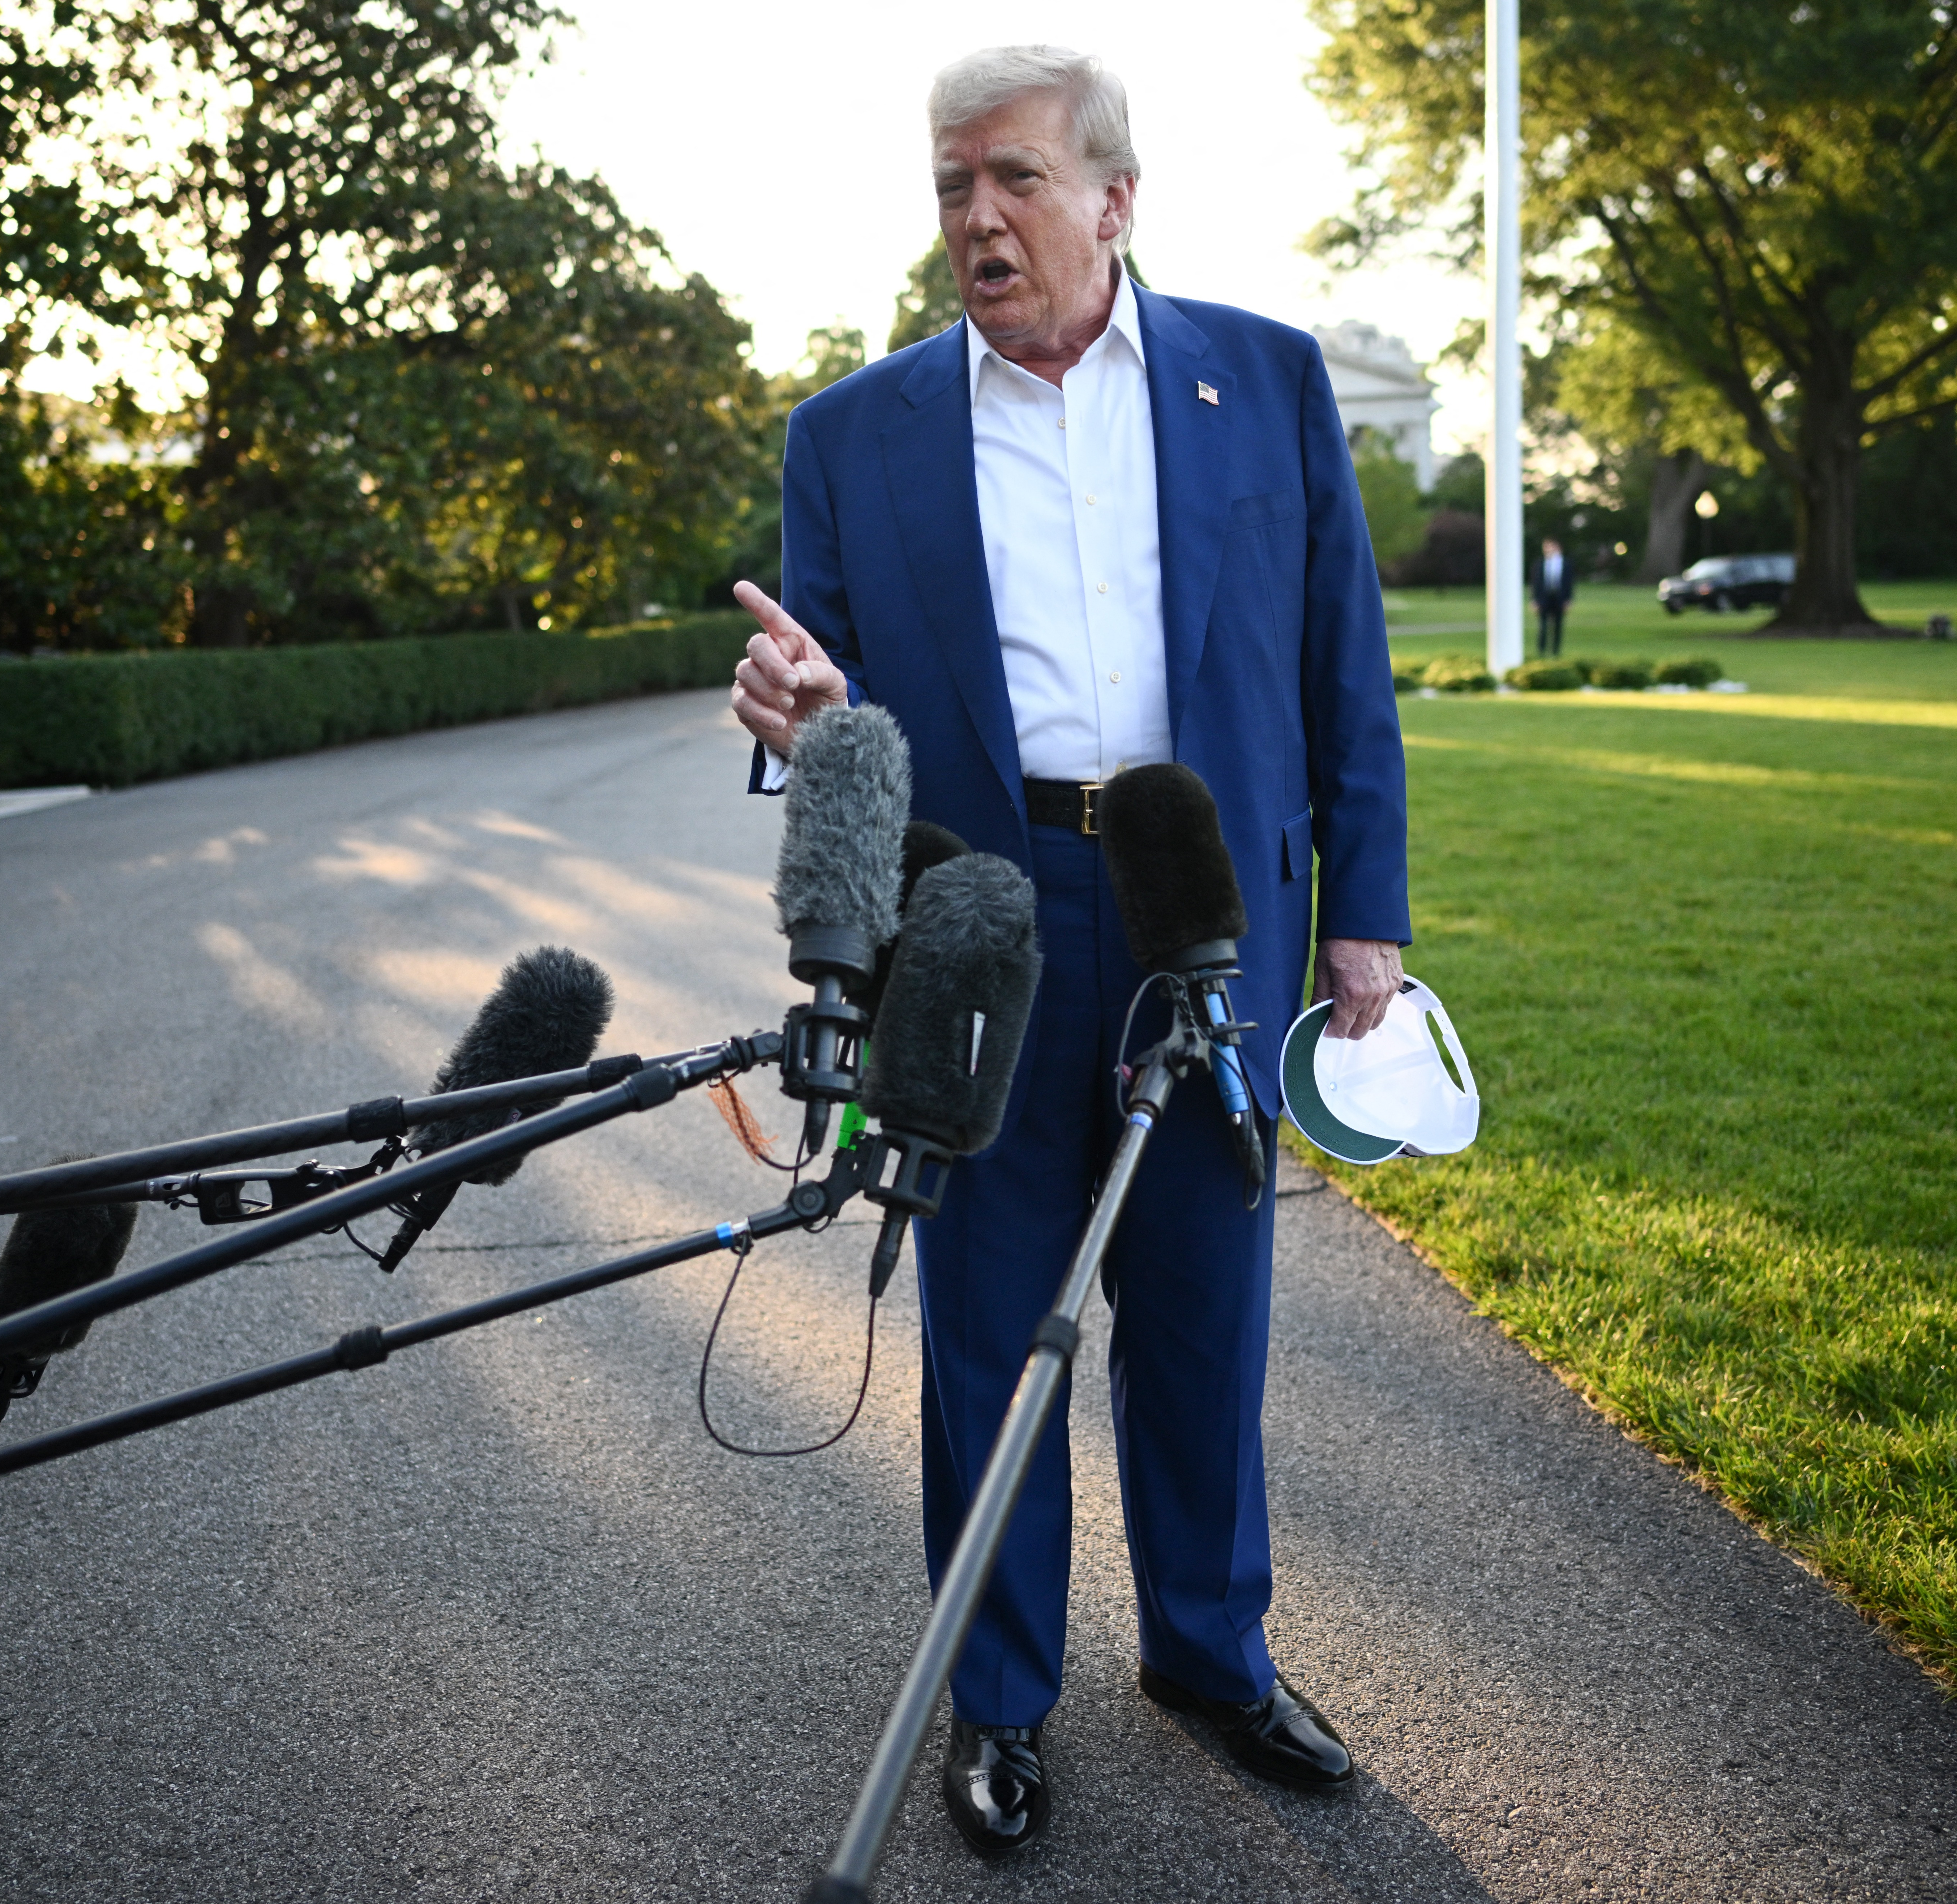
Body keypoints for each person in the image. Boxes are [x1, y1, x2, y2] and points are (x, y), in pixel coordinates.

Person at [725, 45, 1408, 1857]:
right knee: (990, 1323)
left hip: (1210, 905)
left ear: (1115, 199)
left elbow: (1345, 669)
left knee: (1201, 1311)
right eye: (953, 186)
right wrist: (804, 718)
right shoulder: (849, 432)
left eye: (1014, 181)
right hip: (987, 909)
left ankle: (1209, 1649)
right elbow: (841, 717)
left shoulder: (1259, 380)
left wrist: (1367, 917)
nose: (976, 221)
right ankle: (1001, 1690)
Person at [1533, 536, 1574, 656]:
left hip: (1559, 598)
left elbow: (1569, 583)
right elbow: (1536, 584)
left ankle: (1556, 652)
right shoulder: (1540, 563)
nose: (1547, 549)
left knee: (1558, 626)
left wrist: (1568, 600)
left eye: (1549, 546)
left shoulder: (1566, 564)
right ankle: (1541, 651)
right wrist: (1535, 600)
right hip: (1544, 598)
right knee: (1543, 626)